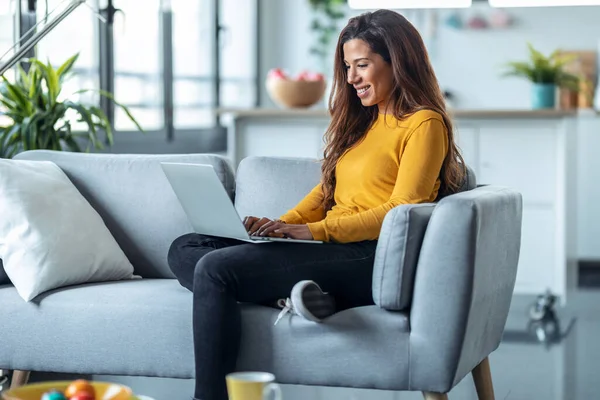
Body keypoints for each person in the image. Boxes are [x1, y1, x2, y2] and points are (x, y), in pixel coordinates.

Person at [167, 8, 466, 400]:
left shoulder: (424, 124)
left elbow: (403, 209)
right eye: (346, 66)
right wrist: (278, 226)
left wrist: (311, 232)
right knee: (185, 246)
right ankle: (299, 295)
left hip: (367, 255)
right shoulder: (366, 122)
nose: (351, 78)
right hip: (328, 245)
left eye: (362, 65)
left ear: (399, 62)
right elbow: (326, 194)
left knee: (215, 271)